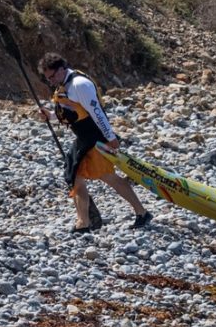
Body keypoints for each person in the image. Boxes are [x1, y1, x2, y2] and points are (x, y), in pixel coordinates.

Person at [37, 52, 151, 234]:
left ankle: (141, 212)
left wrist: (111, 138)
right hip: (83, 139)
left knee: (108, 177)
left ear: (61, 70)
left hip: (96, 138)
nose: (50, 81)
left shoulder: (79, 85)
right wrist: (50, 116)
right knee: (75, 177)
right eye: (47, 78)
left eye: (51, 77)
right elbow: (72, 115)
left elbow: (97, 113)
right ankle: (83, 223)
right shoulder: (63, 85)